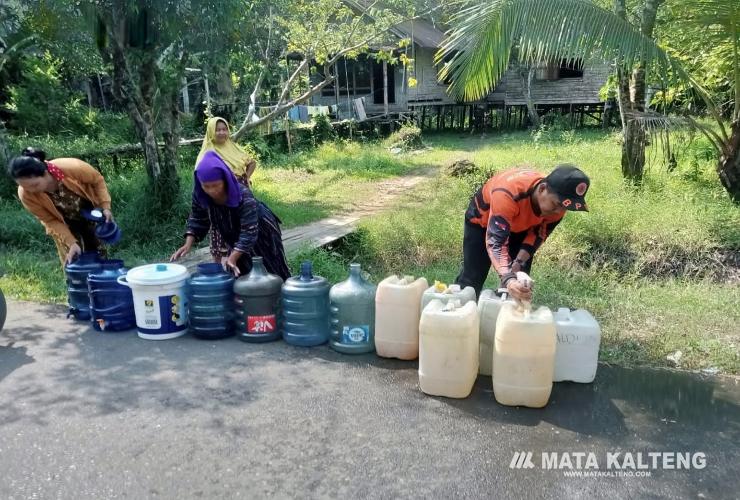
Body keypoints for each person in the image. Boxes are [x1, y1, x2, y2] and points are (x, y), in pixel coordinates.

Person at [455, 164, 590, 302]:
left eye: (565, 207)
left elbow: (538, 234)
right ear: (542, 189)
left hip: (522, 226)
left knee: (520, 283)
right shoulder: (508, 193)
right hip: (482, 222)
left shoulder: (556, 206)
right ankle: (458, 314)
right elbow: (496, 242)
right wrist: (508, 278)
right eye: (557, 204)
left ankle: (508, 319)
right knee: (473, 277)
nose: (559, 212)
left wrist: (518, 264)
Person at [171, 151, 290, 279]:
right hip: (234, 233)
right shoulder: (200, 194)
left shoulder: (243, 195)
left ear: (225, 180)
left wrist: (233, 257)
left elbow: (249, 232)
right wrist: (188, 243)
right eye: (206, 186)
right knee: (241, 274)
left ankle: (280, 297)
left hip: (260, 230)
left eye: (216, 185)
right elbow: (198, 217)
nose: (212, 191)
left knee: (268, 270)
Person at [7, 147, 113, 266]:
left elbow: (97, 180)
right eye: (25, 187)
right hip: (64, 225)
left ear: (45, 173)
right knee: (74, 262)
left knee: (100, 257)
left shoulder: (72, 167)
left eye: (34, 185)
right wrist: (71, 242)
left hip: (91, 216)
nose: (31, 191)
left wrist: (105, 206)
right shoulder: (25, 194)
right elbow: (50, 220)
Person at [197, 116, 258, 264]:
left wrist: (246, 178)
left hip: (240, 193)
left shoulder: (233, 146)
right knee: (220, 226)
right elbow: (201, 175)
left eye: (224, 129)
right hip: (220, 195)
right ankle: (218, 267)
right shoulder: (208, 152)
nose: (222, 133)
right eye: (218, 130)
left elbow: (251, 162)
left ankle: (239, 259)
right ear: (211, 132)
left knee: (242, 225)